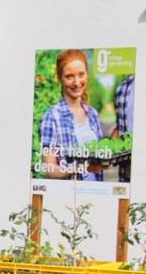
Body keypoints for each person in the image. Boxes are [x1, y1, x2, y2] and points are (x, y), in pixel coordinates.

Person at [37, 49, 104, 181]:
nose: (77, 82)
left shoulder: (93, 114)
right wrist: (80, 167)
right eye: (69, 76)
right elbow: (48, 170)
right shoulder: (52, 117)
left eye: (81, 75)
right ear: (60, 78)